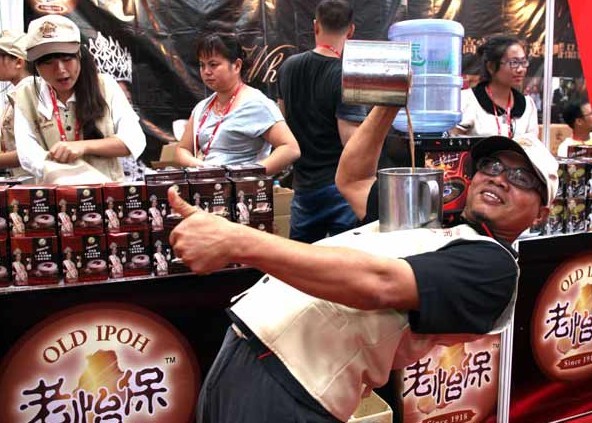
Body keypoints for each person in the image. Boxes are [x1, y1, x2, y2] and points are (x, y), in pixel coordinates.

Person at [167, 104, 558, 422]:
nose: (500, 179)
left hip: (290, 390)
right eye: (492, 167)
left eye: (523, 178)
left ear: (541, 213)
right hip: (242, 353)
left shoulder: (494, 267)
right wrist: (386, 101)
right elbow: (353, 180)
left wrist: (238, 241)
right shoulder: (432, 223)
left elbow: (380, 284)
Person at [13, 15, 146, 184]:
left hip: (108, 195)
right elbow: (28, 154)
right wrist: (69, 175)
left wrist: (83, 146)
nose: (60, 70)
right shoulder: (26, 94)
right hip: (56, 200)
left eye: (67, 59)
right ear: (36, 67)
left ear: (79, 56)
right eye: (48, 62)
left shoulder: (105, 86)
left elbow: (134, 140)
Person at [277, 0, 367, 243]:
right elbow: (351, 142)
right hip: (340, 189)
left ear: (315, 26)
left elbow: (282, 123)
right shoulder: (347, 75)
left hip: (304, 188)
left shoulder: (288, 68)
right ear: (350, 30)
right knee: (344, 266)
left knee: (300, 268)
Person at [175, 30, 300, 176]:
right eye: (202, 65)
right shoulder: (202, 107)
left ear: (236, 66)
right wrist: (200, 166)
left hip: (243, 194)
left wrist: (246, 175)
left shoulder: (257, 103)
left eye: (213, 64)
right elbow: (181, 149)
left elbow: (290, 149)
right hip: (209, 188)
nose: (206, 71)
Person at [453, 34, 538, 138]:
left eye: (523, 62)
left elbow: (532, 146)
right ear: (491, 67)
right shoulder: (467, 101)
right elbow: (453, 144)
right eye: (514, 63)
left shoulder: (527, 105)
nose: (520, 69)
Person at [0, 30, 32, 177]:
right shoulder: (17, 93)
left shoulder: (30, 94)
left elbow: (31, 152)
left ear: (19, 62)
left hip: (36, 185)